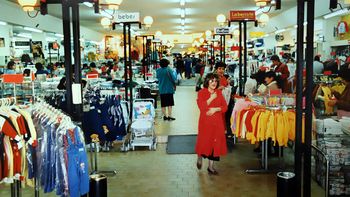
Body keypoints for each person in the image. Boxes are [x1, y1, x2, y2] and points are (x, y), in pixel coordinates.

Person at [195, 73, 228, 175]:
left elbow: (225, 107)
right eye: (212, 81)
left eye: (215, 81)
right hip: (205, 123)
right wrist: (211, 98)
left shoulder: (219, 92)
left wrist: (216, 109)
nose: (214, 83)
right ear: (207, 82)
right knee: (204, 141)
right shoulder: (201, 93)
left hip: (217, 123)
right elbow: (202, 107)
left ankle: (211, 166)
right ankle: (199, 156)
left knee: (215, 143)